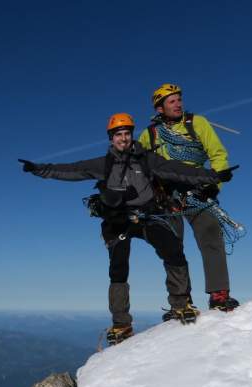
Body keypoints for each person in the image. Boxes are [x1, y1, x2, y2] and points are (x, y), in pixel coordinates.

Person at [19, 113, 235, 345]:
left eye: (126, 133)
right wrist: (39, 169)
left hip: (147, 216)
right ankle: (121, 322)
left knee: (173, 249)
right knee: (118, 267)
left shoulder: (147, 160)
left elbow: (178, 170)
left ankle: (180, 303)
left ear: (131, 135)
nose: (123, 138)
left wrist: (212, 176)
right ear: (111, 138)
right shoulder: (104, 164)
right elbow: (72, 170)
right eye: (118, 134)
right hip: (117, 220)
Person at [137, 83, 240, 312]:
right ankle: (180, 300)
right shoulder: (149, 135)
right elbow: (137, 164)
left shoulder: (197, 123)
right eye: (172, 101)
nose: (178, 104)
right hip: (165, 194)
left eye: (179, 99)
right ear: (160, 108)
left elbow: (218, 154)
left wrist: (215, 186)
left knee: (211, 232)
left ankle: (219, 294)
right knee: (171, 245)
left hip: (197, 188)